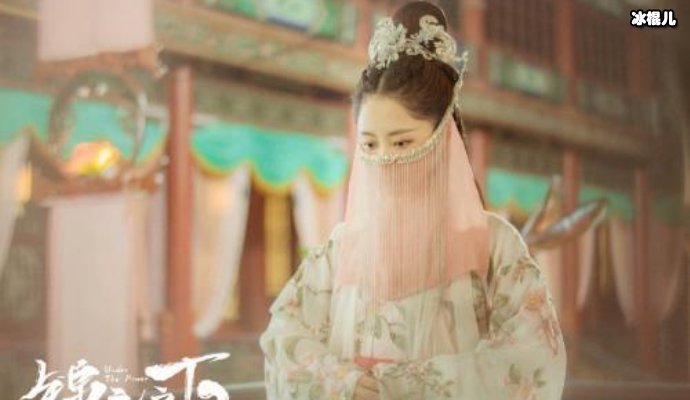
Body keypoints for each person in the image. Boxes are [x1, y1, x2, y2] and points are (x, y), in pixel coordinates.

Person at [259, 2, 567, 399]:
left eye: (402, 142)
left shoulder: (494, 245)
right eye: (370, 144)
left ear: (442, 138)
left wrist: (402, 384)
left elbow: (533, 357)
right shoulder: (342, 246)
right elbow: (283, 333)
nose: (385, 160)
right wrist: (341, 381)